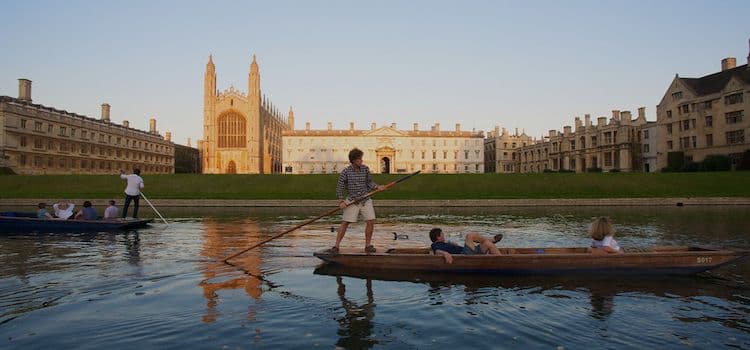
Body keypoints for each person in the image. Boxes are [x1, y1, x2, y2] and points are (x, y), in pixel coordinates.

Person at [330, 148, 389, 254]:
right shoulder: (345, 172)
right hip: (352, 200)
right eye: (359, 159)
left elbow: (369, 183)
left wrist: (377, 187)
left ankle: (368, 245)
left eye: (361, 158)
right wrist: (341, 201)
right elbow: (339, 187)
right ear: (353, 160)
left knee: (370, 221)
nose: (361, 161)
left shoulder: (365, 169)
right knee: (345, 222)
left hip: (365, 199)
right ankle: (336, 246)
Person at [429, 228, 503, 264]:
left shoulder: (445, 243)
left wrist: (452, 244)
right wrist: (445, 254)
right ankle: (492, 239)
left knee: (487, 243)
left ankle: (502, 261)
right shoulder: (435, 245)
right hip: (465, 255)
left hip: (469, 251)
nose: (444, 235)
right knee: (470, 236)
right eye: (442, 234)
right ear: (438, 237)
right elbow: (436, 251)